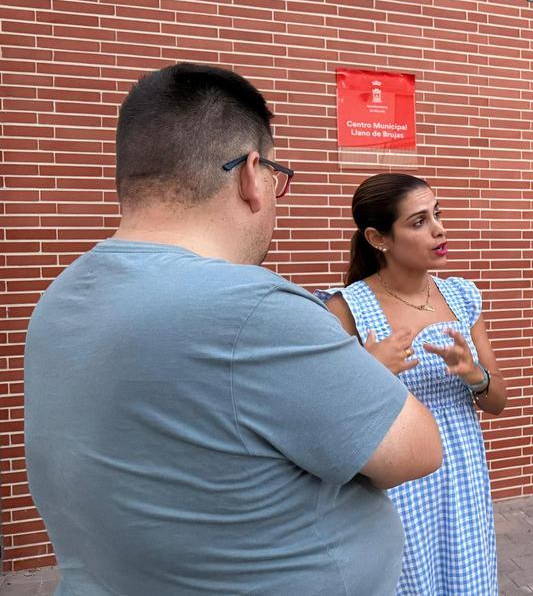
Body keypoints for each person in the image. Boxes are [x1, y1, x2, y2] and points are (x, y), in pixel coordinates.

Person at [23, 63, 443, 595]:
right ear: (251, 174)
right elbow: (416, 449)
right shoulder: (254, 310)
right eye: (276, 179)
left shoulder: (61, 296)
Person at [323, 172, 508, 595]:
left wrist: (474, 374)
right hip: (395, 477)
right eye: (418, 221)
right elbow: (328, 420)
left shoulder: (461, 297)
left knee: (467, 579)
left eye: (437, 214)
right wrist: (370, 373)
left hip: (461, 471)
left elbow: (498, 401)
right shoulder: (347, 308)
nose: (439, 229)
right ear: (378, 238)